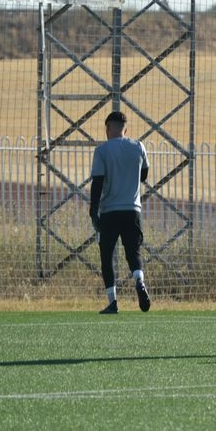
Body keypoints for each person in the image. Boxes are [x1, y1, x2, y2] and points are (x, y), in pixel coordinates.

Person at [89, 111, 151, 314]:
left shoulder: (102, 150)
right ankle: (139, 281)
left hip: (109, 212)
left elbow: (97, 183)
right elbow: (144, 175)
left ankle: (113, 302)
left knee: (107, 256)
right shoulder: (138, 146)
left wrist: (93, 212)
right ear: (126, 129)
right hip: (133, 210)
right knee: (133, 253)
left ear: (107, 128)